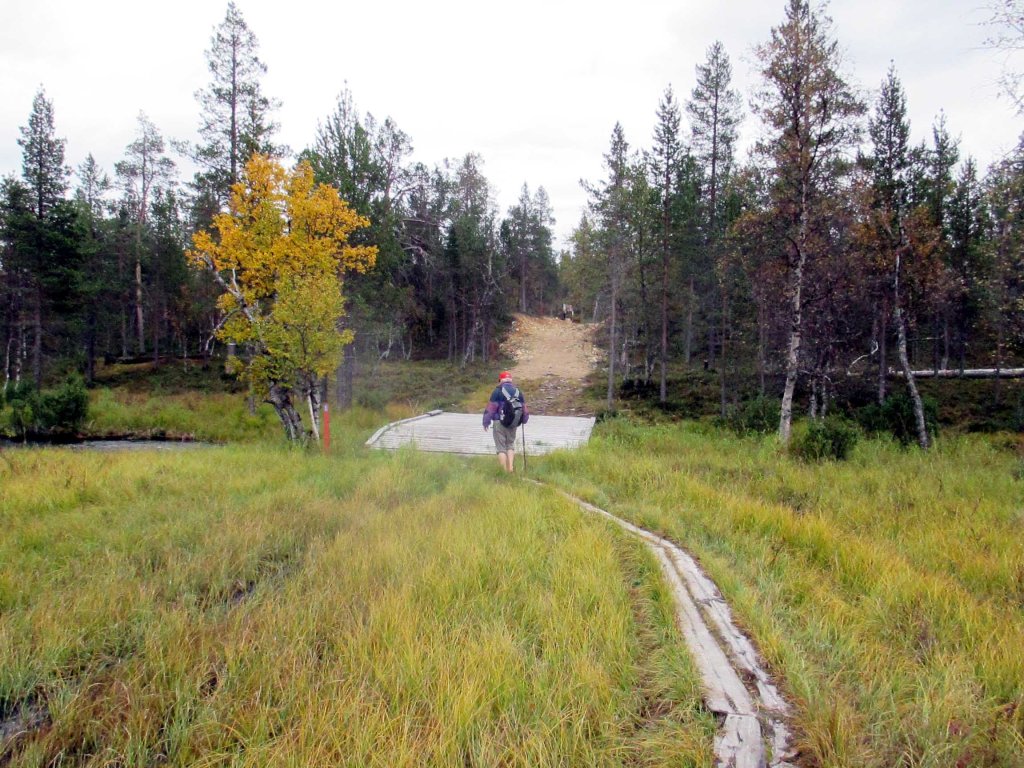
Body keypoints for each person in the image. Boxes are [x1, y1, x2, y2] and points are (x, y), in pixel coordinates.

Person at [482, 371, 529, 473]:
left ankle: (503, 471)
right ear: (510, 380)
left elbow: (491, 408)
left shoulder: (497, 391)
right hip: (513, 423)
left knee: (501, 447)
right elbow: (524, 409)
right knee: (510, 445)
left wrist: (486, 422)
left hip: (499, 422)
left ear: (500, 380)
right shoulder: (518, 392)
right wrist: (524, 419)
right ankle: (510, 469)